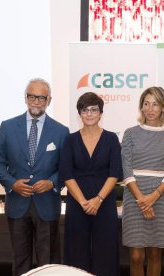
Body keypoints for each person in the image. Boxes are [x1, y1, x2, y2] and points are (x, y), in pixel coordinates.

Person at [0, 78, 69, 276]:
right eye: (32, 96)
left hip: (47, 204)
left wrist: (52, 182)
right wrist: (12, 184)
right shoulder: (8, 127)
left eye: (41, 97)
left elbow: (67, 167)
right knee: (20, 261)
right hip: (18, 203)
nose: (36, 101)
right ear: (25, 98)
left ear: (49, 100)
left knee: (49, 263)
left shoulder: (61, 131)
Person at [59, 92, 122, 275]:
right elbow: (66, 174)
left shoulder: (111, 139)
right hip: (78, 202)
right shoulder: (70, 140)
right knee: (76, 251)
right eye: (84, 110)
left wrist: (98, 199)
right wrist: (83, 202)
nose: (89, 113)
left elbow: (114, 173)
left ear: (101, 113)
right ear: (79, 114)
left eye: (94, 109)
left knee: (106, 250)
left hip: (104, 201)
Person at [121, 86, 164, 276]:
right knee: (136, 257)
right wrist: (142, 200)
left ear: (163, 107)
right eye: (146, 104)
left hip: (160, 198)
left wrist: (152, 198)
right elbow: (126, 168)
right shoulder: (130, 133)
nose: (150, 109)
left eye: (155, 104)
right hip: (134, 196)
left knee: (155, 254)